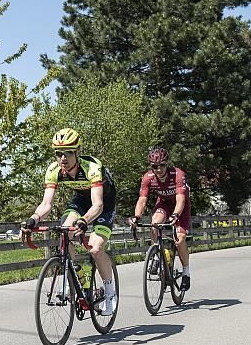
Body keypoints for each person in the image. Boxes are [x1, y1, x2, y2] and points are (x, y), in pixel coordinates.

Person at [21, 128, 118, 316]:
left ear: (77, 152)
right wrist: (32, 219)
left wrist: (84, 222)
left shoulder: (92, 168)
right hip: (81, 201)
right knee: (66, 231)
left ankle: (110, 293)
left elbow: (97, 205)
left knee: (96, 248)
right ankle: (69, 275)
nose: (62, 158)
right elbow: (46, 204)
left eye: (68, 152)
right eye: (58, 153)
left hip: (104, 204)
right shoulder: (54, 170)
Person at [129, 147, 192, 290]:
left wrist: (175, 215)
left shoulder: (177, 174)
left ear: (167, 164)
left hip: (180, 206)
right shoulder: (148, 178)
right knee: (154, 223)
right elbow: (142, 200)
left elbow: (181, 200)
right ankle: (157, 256)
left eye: (161, 165)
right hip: (163, 203)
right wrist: (136, 217)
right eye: (154, 167)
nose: (158, 169)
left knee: (179, 240)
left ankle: (186, 272)